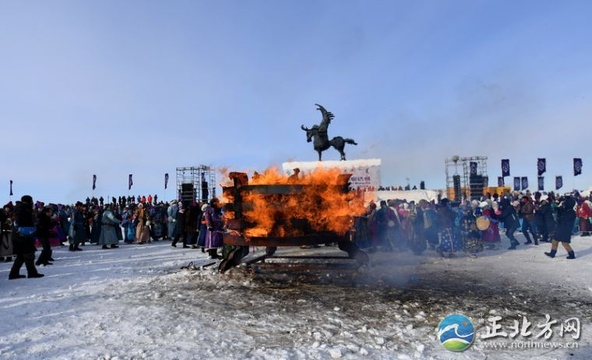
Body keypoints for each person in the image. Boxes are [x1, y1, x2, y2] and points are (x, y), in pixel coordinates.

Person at [8, 195, 44, 279]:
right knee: (29, 253)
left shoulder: (21, 208)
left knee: (21, 256)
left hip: (19, 235)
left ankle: (14, 274)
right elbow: (21, 222)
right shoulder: (23, 209)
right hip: (22, 235)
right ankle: (31, 273)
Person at [545, 194, 577, 259]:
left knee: (564, 243)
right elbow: (559, 211)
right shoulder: (565, 210)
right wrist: (555, 207)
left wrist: (560, 214)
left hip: (566, 230)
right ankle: (552, 253)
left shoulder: (571, 212)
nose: (563, 205)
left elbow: (564, 219)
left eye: (565, 204)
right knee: (554, 241)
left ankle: (571, 254)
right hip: (560, 228)